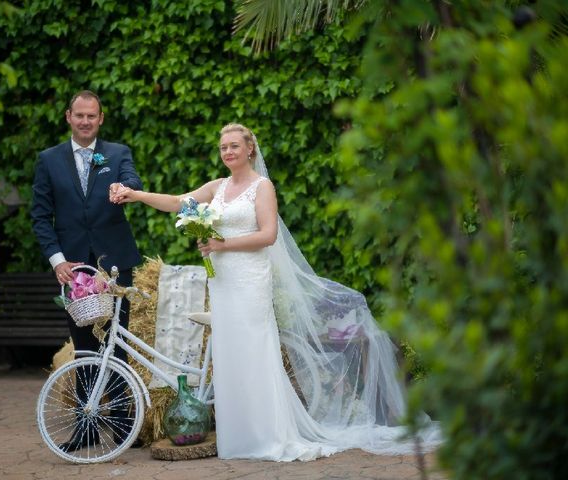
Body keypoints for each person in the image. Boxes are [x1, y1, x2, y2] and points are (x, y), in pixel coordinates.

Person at [111, 123, 441, 460]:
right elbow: (178, 202)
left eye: (234, 146)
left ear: (250, 149)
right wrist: (136, 195)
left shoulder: (262, 187)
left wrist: (222, 245)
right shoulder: (218, 187)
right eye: (223, 147)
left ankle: (267, 436)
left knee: (254, 352)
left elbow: (268, 235)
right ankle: (239, 438)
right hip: (222, 283)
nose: (228, 152)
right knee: (230, 356)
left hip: (250, 281)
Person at [31, 90, 143, 452]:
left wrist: (124, 188)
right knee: (84, 347)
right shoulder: (48, 160)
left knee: (117, 341)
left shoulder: (117, 153)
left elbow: (133, 182)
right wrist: (57, 260)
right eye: (79, 115)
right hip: (73, 267)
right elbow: (40, 216)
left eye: (91, 116)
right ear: (68, 116)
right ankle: (88, 426)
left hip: (114, 264)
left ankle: (124, 423)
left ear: (101, 118)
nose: (85, 121)